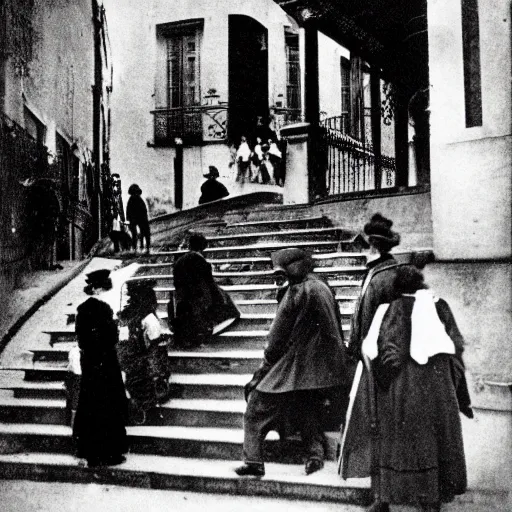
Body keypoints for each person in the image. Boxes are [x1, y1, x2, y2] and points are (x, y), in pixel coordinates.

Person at [360, 266, 472, 511]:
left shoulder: (390, 309)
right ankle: (431, 499)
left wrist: (381, 379)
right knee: (434, 440)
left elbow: (389, 352)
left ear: (397, 288)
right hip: (437, 386)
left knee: (398, 440)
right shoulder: (439, 306)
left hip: (402, 387)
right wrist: (455, 386)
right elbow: (456, 345)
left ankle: (385, 497)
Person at [235, 248, 348, 477]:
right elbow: (334, 330)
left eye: (280, 275)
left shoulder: (295, 292)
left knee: (255, 409)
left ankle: (254, 461)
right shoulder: (322, 287)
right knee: (307, 409)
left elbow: (276, 341)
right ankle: (314, 456)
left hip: (292, 367)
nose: (278, 281)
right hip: (318, 370)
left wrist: (264, 369)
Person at [338, 213, 405, 508]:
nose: (364, 251)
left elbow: (377, 325)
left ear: (375, 247)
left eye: (366, 246)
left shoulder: (381, 277)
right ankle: (384, 495)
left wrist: (361, 355)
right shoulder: (384, 273)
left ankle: (383, 498)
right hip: (380, 362)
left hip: (379, 366)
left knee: (380, 428)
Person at [73, 269, 128, 468]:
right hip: (105, 363)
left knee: (90, 404)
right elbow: (111, 338)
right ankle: (109, 453)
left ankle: (91, 453)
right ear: (96, 289)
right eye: (103, 288)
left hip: (90, 363)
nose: (105, 292)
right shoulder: (104, 309)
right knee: (108, 405)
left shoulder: (81, 310)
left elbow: (82, 340)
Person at [170, 233, 240, 348]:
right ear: (203, 247)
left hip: (182, 297)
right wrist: (219, 296)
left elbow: (176, 282)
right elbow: (209, 282)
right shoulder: (201, 261)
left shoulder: (179, 261)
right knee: (224, 303)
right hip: (197, 296)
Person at [118, 280, 170, 425]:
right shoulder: (149, 318)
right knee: (158, 352)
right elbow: (156, 343)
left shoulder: (124, 316)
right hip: (141, 363)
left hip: (124, 360)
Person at [126, 183, 150, 253]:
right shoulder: (132, 200)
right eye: (134, 193)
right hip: (134, 219)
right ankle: (135, 249)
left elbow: (144, 211)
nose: (135, 194)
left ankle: (145, 247)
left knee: (145, 232)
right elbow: (128, 211)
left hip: (140, 218)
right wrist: (129, 219)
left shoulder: (139, 200)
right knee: (134, 234)